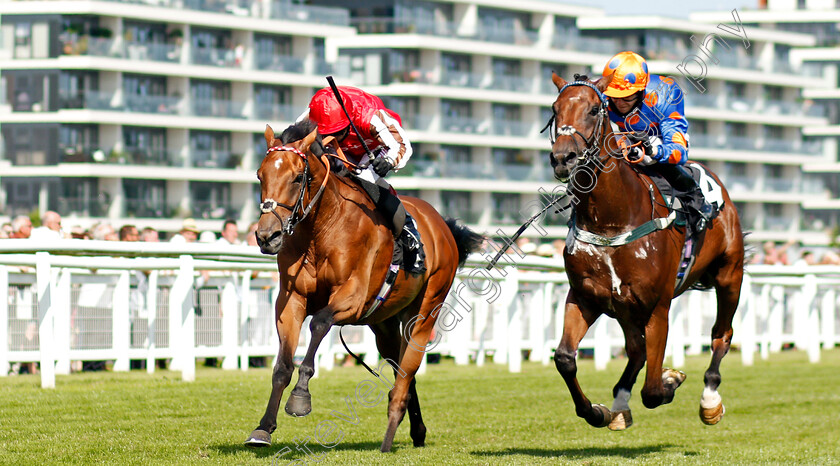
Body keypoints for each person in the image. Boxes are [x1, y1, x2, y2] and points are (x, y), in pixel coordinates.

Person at [300, 85, 424, 272]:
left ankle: (407, 230)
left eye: (336, 132)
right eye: (327, 133)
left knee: (364, 177)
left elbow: (402, 145)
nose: (331, 137)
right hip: (341, 151)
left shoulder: (371, 117)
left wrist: (389, 162)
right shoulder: (310, 116)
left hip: (374, 148)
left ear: (348, 121)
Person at [600, 51, 714, 233]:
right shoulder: (603, 96)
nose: (619, 102)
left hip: (660, 139)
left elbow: (679, 151)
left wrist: (653, 150)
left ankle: (696, 198)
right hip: (624, 135)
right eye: (614, 95)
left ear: (640, 91)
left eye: (627, 96)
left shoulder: (666, 94)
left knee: (648, 159)